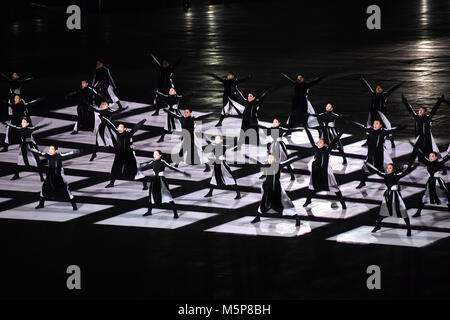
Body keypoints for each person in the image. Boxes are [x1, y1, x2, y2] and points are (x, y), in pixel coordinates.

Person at [248, 154, 301, 226]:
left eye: (271, 158)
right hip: (268, 187)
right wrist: (249, 157)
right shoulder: (267, 165)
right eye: (268, 158)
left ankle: (296, 218)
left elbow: (288, 161)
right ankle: (258, 217)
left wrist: (296, 157)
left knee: (286, 203)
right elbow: (259, 163)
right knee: (264, 203)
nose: (269, 159)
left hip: (277, 188)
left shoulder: (279, 165)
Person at [366, 162, 416, 237]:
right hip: (388, 195)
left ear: (393, 170)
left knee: (403, 211)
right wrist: (368, 164)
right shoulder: (385, 175)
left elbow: (406, 172)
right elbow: (377, 171)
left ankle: (409, 228)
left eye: (390, 168)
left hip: (396, 196)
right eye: (387, 168)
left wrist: (414, 166)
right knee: (382, 212)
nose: (387, 169)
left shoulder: (397, 176)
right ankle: (378, 226)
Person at [302, 127, 347, 209]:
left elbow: (334, 141)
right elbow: (311, 140)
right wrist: (307, 130)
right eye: (318, 142)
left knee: (334, 188)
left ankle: (343, 203)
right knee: (312, 187)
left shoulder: (327, 150)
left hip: (326, 171)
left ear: (324, 144)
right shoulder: (316, 149)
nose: (318, 143)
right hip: (316, 170)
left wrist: (340, 133)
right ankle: (308, 201)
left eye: (320, 142)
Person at [351, 120, 403, 189]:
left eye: (377, 124)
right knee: (366, 168)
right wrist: (352, 122)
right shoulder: (370, 130)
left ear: (380, 125)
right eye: (374, 123)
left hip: (381, 154)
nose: (375, 125)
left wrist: (399, 128)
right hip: (371, 153)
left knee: (387, 169)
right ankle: (362, 182)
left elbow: (391, 130)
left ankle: (395, 183)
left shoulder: (383, 131)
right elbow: (361, 127)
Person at [140, 150, 190, 219]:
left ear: (160, 155)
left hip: (161, 181)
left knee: (168, 196)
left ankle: (175, 213)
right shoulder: (153, 162)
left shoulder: (163, 162)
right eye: (154, 154)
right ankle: (149, 211)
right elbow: (144, 167)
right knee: (151, 196)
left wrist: (183, 172)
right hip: (154, 181)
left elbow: (172, 167)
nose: (154, 155)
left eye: (156, 154)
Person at [100, 117, 147, 189]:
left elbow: (136, 127)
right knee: (115, 168)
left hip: (128, 154)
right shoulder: (117, 132)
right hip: (119, 154)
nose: (119, 128)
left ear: (124, 129)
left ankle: (145, 184)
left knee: (134, 170)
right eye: (119, 127)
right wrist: (102, 117)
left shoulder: (129, 134)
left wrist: (142, 121)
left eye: (121, 127)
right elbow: (109, 124)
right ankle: (111, 183)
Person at [28, 145, 78, 210]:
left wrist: (78, 151)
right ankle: (41, 204)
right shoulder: (48, 155)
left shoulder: (60, 155)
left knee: (66, 190)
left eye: (52, 149)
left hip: (59, 175)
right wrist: (29, 149)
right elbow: (38, 152)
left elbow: (69, 153)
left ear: (56, 150)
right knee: (43, 189)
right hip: (50, 176)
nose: (49, 151)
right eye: (50, 149)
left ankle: (74, 206)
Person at [361, 76, 404, 148]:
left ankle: (392, 141)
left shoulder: (384, 95)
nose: (377, 89)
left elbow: (392, 89)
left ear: (381, 89)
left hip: (381, 114)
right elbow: (367, 87)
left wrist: (399, 84)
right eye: (376, 88)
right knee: (368, 127)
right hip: (372, 113)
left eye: (379, 88)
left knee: (387, 126)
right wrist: (362, 79)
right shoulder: (373, 94)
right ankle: (368, 141)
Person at [402, 94, 448, 159]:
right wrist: (404, 100)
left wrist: (439, 101)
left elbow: (434, 110)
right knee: (416, 150)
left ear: (425, 112)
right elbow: (410, 109)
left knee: (427, 149)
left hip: (426, 137)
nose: (420, 111)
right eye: (419, 110)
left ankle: (429, 160)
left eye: (422, 110)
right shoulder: (416, 117)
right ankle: (412, 164)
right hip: (419, 137)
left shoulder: (428, 118)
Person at [413, 150, 450, 217]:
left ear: (436, 157)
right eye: (430, 156)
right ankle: (418, 212)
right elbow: (421, 155)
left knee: (445, 197)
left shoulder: (439, 162)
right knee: (424, 197)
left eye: (432, 156)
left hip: (438, 183)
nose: (430, 157)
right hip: (430, 182)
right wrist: (416, 148)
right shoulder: (428, 162)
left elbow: (447, 157)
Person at [203, 135, 241, 199]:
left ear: (221, 141)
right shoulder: (214, 146)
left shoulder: (222, 147)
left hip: (222, 165)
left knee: (230, 178)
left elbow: (233, 145)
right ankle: (210, 192)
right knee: (214, 178)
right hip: (217, 165)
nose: (216, 140)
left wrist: (236, 140)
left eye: (217, 139)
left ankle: (238, 194)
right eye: (215, 139)